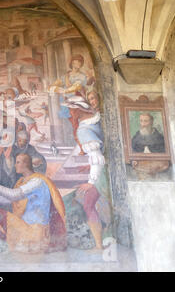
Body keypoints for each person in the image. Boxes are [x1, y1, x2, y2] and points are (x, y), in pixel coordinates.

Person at [62, 90, 110, 249]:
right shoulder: (93, 120)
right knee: (84, 201)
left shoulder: (83, 130)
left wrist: (91, 181)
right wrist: (90, 166)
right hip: (101, 170)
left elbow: (97, 155)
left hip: (100, 175)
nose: (70, 113)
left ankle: (98, 245)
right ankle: (99, 241)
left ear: (78, 110)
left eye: (71, 109)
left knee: (87, 204)